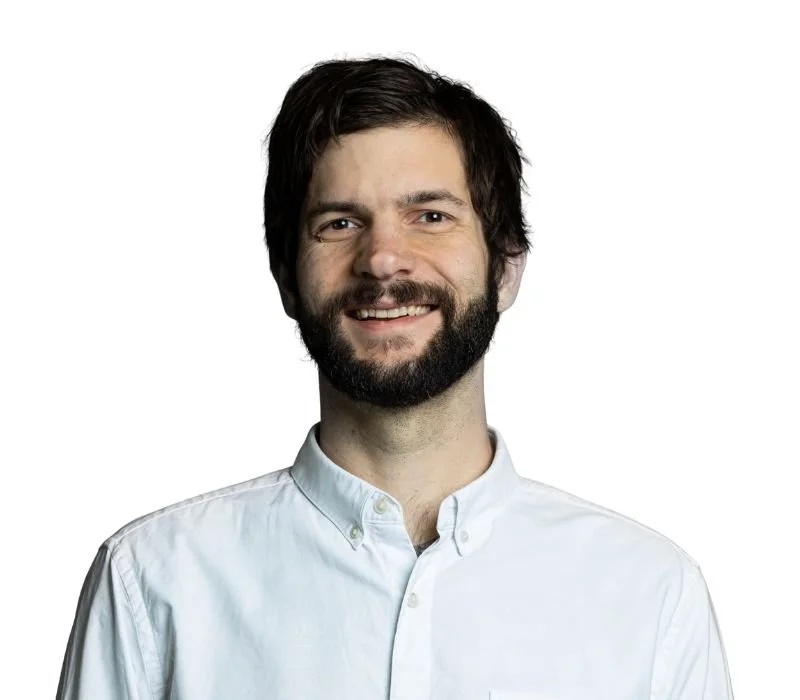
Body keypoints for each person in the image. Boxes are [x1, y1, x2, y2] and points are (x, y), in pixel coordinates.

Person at [57, 56, 734, 700]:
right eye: (340, 222)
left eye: (430, 217)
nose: (383, 259)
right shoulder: (153, 582)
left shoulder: (649, 596)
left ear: (505, 268)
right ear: (286, 278)